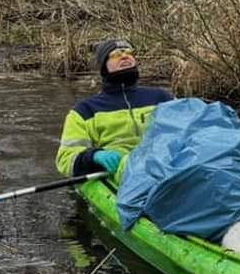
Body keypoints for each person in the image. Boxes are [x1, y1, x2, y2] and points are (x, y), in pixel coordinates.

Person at [55, 38, 173, 178]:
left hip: (164, 162)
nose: (124, 56)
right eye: (115, 55)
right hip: (119, 172)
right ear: (104, 66)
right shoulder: (85, 111)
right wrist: (93, 156)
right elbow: (65, 159)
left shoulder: (161, 98)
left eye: (129, 53)